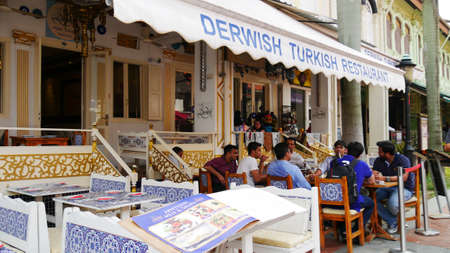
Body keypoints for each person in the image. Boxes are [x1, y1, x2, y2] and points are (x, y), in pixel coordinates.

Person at [334, 142, 375, 240]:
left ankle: (343, 229)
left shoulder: (335, 162)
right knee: (370, 203)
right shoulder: (362, 164)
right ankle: (356, 230)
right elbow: (372, 181)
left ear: (346, 150)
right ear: (360, 154)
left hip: (334, 201)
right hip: (351, 201)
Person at [373, 141, 414, 234]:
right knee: (372, 200)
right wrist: (373, 174)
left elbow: (403, 178)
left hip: (404, 188)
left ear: (387, 153)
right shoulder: (379, 160)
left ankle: (396, 221)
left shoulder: (403, 160)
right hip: (386, 187)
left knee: (392, 203)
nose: (378, 153)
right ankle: (394, 221)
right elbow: (374, 172)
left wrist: (384, 178)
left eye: (380, 152)